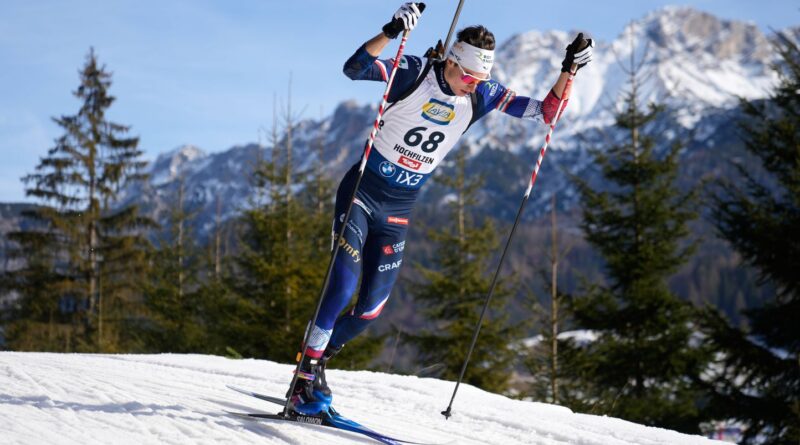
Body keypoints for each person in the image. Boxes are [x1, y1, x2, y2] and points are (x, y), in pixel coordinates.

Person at [289, 2, 593, 415]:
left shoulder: (482, 94)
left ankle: (318, 360)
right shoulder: (414, 74)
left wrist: (569, 71)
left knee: (370, 309)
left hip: (399, 209)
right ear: (451, 61)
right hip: (362, 192)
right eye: (468, 75)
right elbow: (355, 68)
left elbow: (545, 112)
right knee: (342, 286)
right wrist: (392, 30)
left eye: (481, 77)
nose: (474, 84)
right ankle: (303, 379)